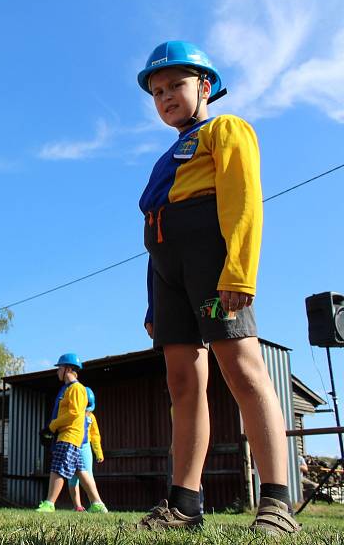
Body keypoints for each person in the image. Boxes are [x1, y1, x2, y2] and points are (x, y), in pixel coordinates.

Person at [135, 41, 299, 535]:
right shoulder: (168, 154)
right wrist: (153, 303)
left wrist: (239, 272)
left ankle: (276, 501)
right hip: (168, 272)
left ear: (205, 87)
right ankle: (184, 504)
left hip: (212, 263)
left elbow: (244, 200)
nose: (165, 97)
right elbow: (157, 229)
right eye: (157, 90)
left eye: (176, 85)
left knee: (242, 368)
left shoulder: (226, 129)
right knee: (182, 383)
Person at [36, 355, 107, 513]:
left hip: (69, 436)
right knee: (80, 470)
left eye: (59, 368)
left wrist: (51, 427)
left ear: (68, 369)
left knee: (57, 469)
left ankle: (49, 503)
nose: (57, 372)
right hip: (71, 436)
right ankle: (97, 504)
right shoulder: (70, 389)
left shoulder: (76, 388)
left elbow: (74, 413)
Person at [68, 387, 104, 511]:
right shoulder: (72, 414)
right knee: (72, 478)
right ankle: (77, 506)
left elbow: (95, 435)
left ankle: (95, 504)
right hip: (72, 446)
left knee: (88, 476)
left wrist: (98, 452)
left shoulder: (91, 417)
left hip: (85, 448)